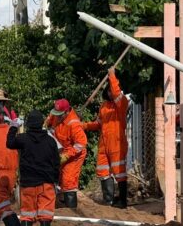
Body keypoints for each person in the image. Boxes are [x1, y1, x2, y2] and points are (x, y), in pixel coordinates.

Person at [7, 110, 60, 226]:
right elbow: (56, 164)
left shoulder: (23, 139)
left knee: (27, 216)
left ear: (28, 124)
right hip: (47, 184)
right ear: (42, 123)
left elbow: (9, 143)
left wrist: (13, 127)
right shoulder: (50, 141)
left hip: (28, 184)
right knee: (45, 217)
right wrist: (56, 182)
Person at [83, 68, 129, 208]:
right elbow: (98, 124)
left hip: (117, 144)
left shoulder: (121, 104)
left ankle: (122, 201)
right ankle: (109, 200)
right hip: (104, 145)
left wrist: (112, 76)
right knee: (102, 171)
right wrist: (83, 125)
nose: (110, 92)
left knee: (119, 173)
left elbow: (116, 93)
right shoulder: (104, 106)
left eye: (112, 90)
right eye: (108, 90)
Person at [46, 99, 88, 208]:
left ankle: (70, 208)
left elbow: (81, 143)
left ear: (66, 112)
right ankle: (61, 202)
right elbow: (48, 122)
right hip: (61, 149)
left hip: (75, 154)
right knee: (57, 176)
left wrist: (67, 155)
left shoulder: (73, 124)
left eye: (60, 115)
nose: (57, 117)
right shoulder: (56, 114)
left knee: (68, 180)